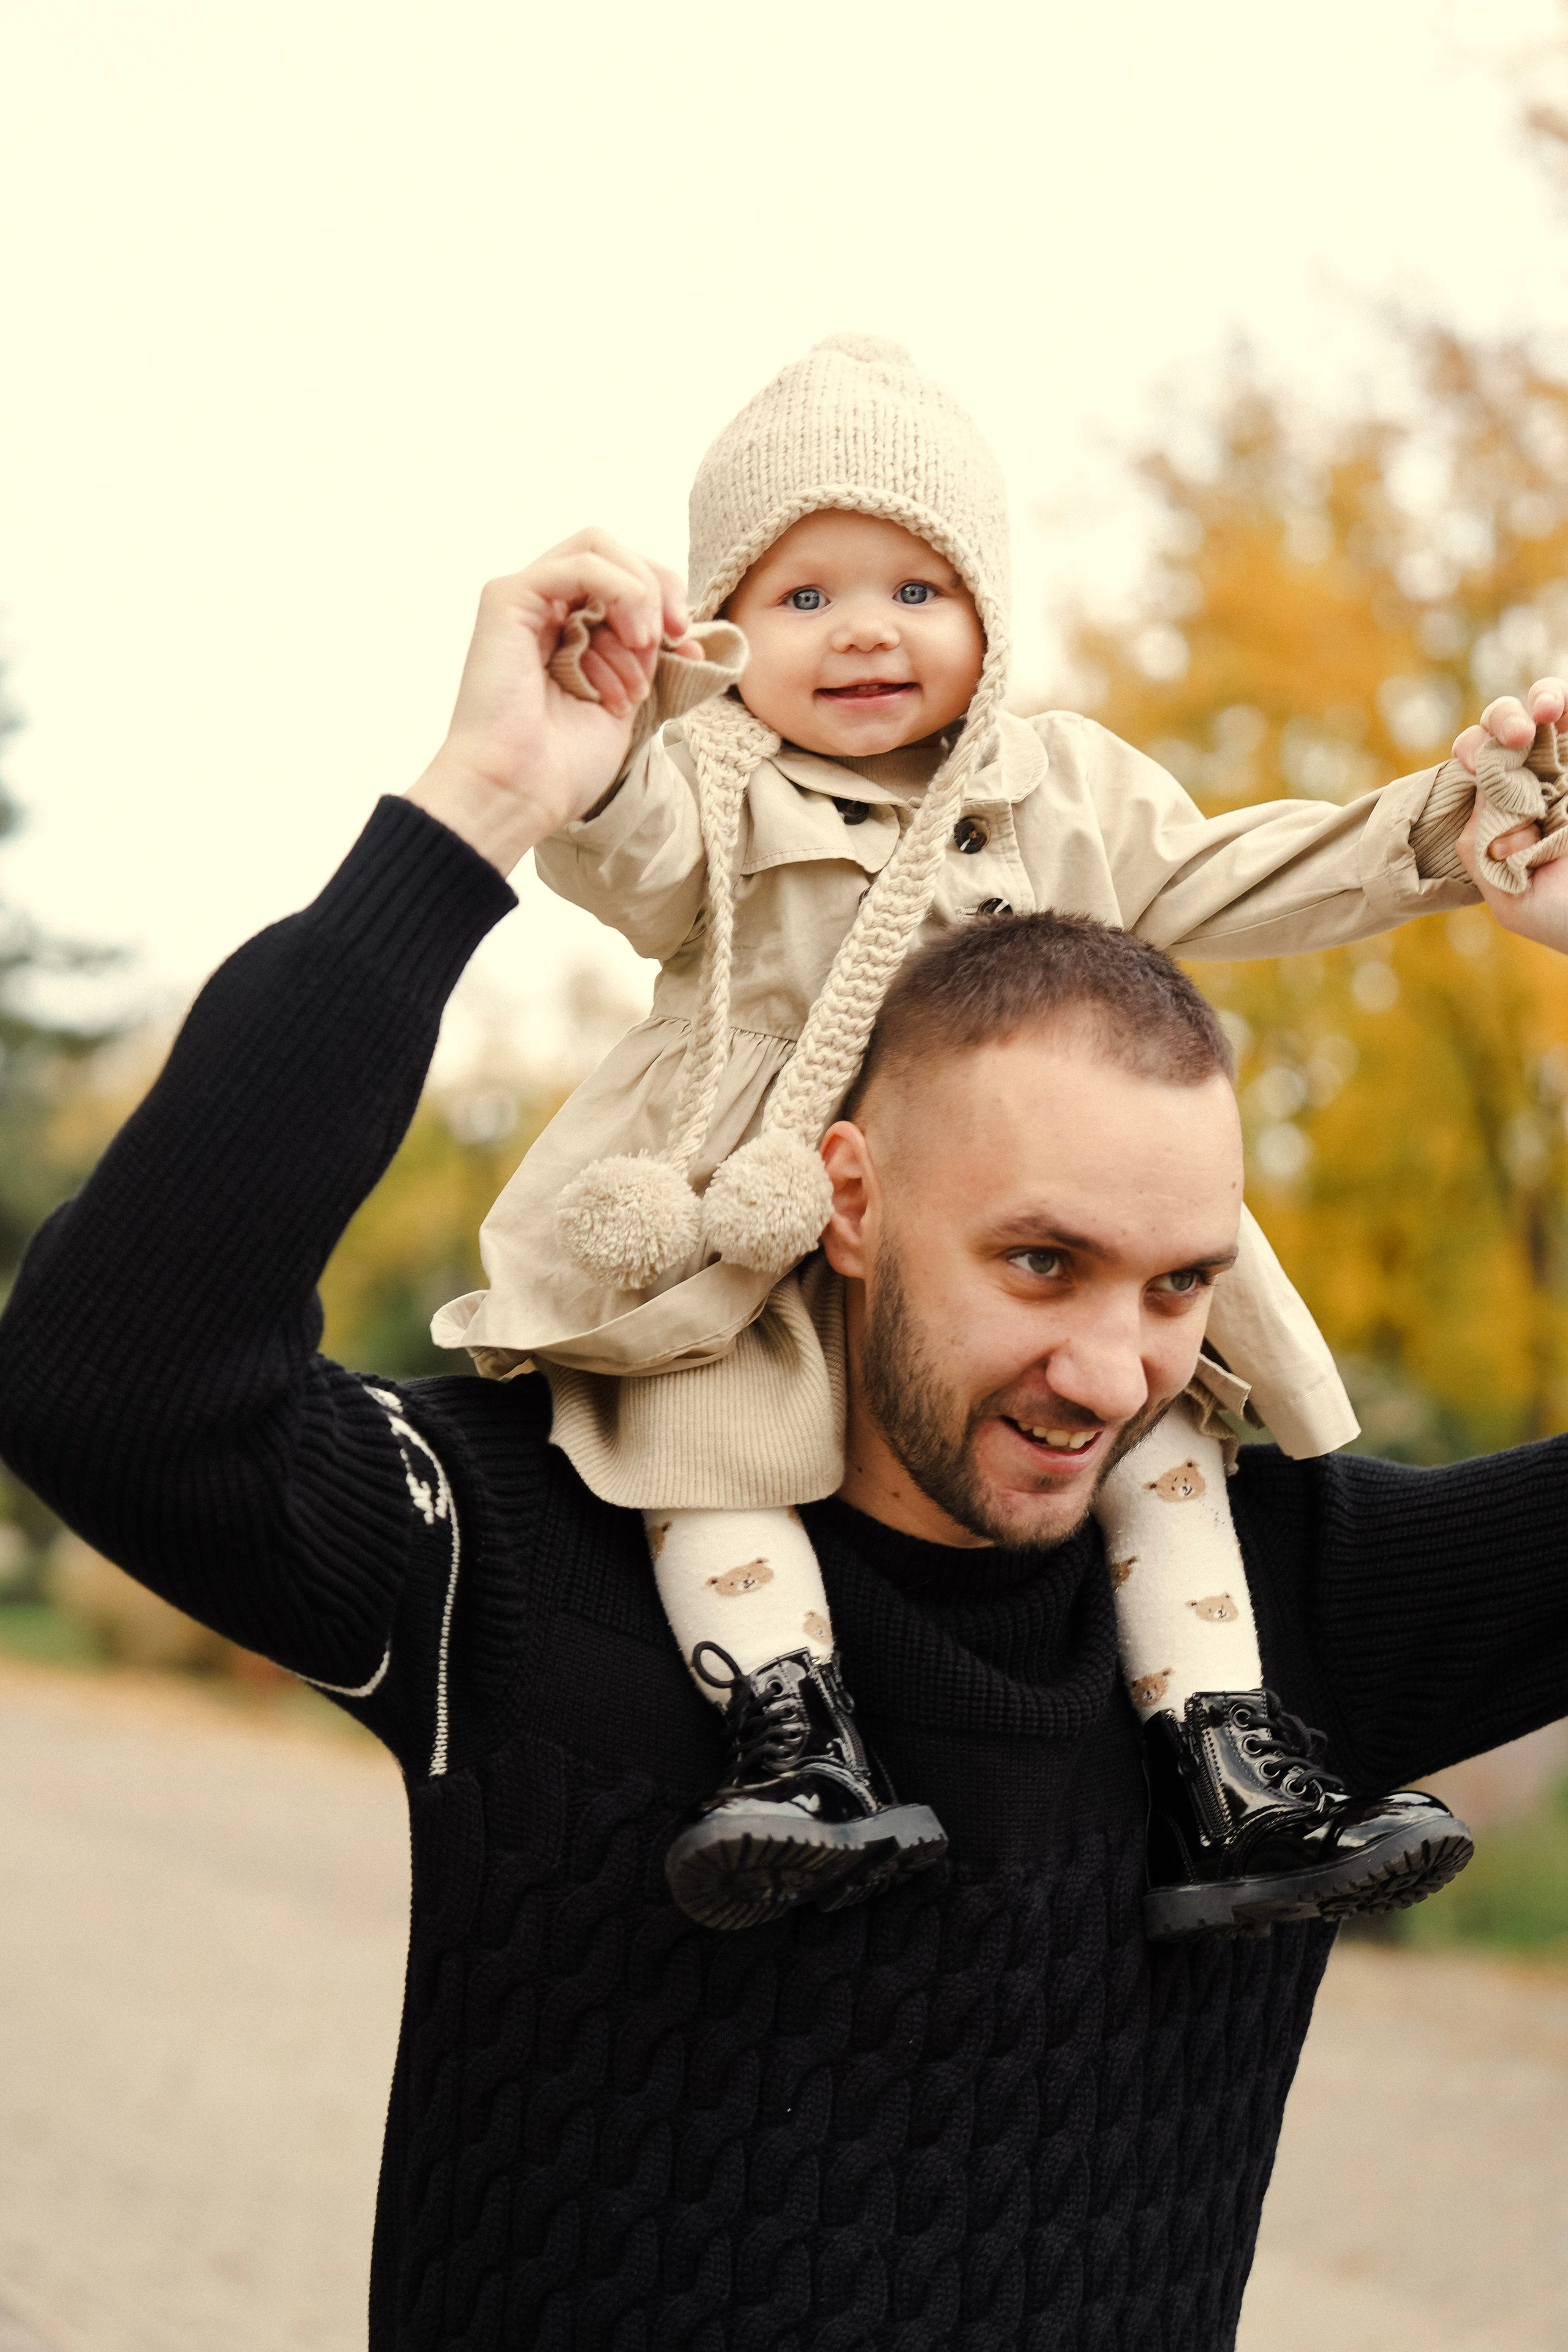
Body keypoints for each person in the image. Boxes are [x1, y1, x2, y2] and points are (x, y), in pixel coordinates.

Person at [0, 525, 1565, 2346]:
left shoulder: (1302, 1614)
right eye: (1041, 1262)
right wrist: (478, 805)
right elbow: (111, 1380)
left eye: (1177, 1287)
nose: (1112, 1371)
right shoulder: (529, 1540)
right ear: (849, 1198)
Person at [426, 335, 1558, 1934]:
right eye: (804, 596)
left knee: (1165, 1444)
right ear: (724, 630)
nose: (864, 629)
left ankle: (1227, 1767)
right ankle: (794, 1746)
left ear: (990, 616)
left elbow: (1241, 873)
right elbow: (627, 858)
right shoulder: (711, 783)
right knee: (706, 1431)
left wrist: (1447, 822)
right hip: (757, 1212)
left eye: (917, 588)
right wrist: (597, 750)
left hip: (1032, 1226)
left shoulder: (1063, 786)